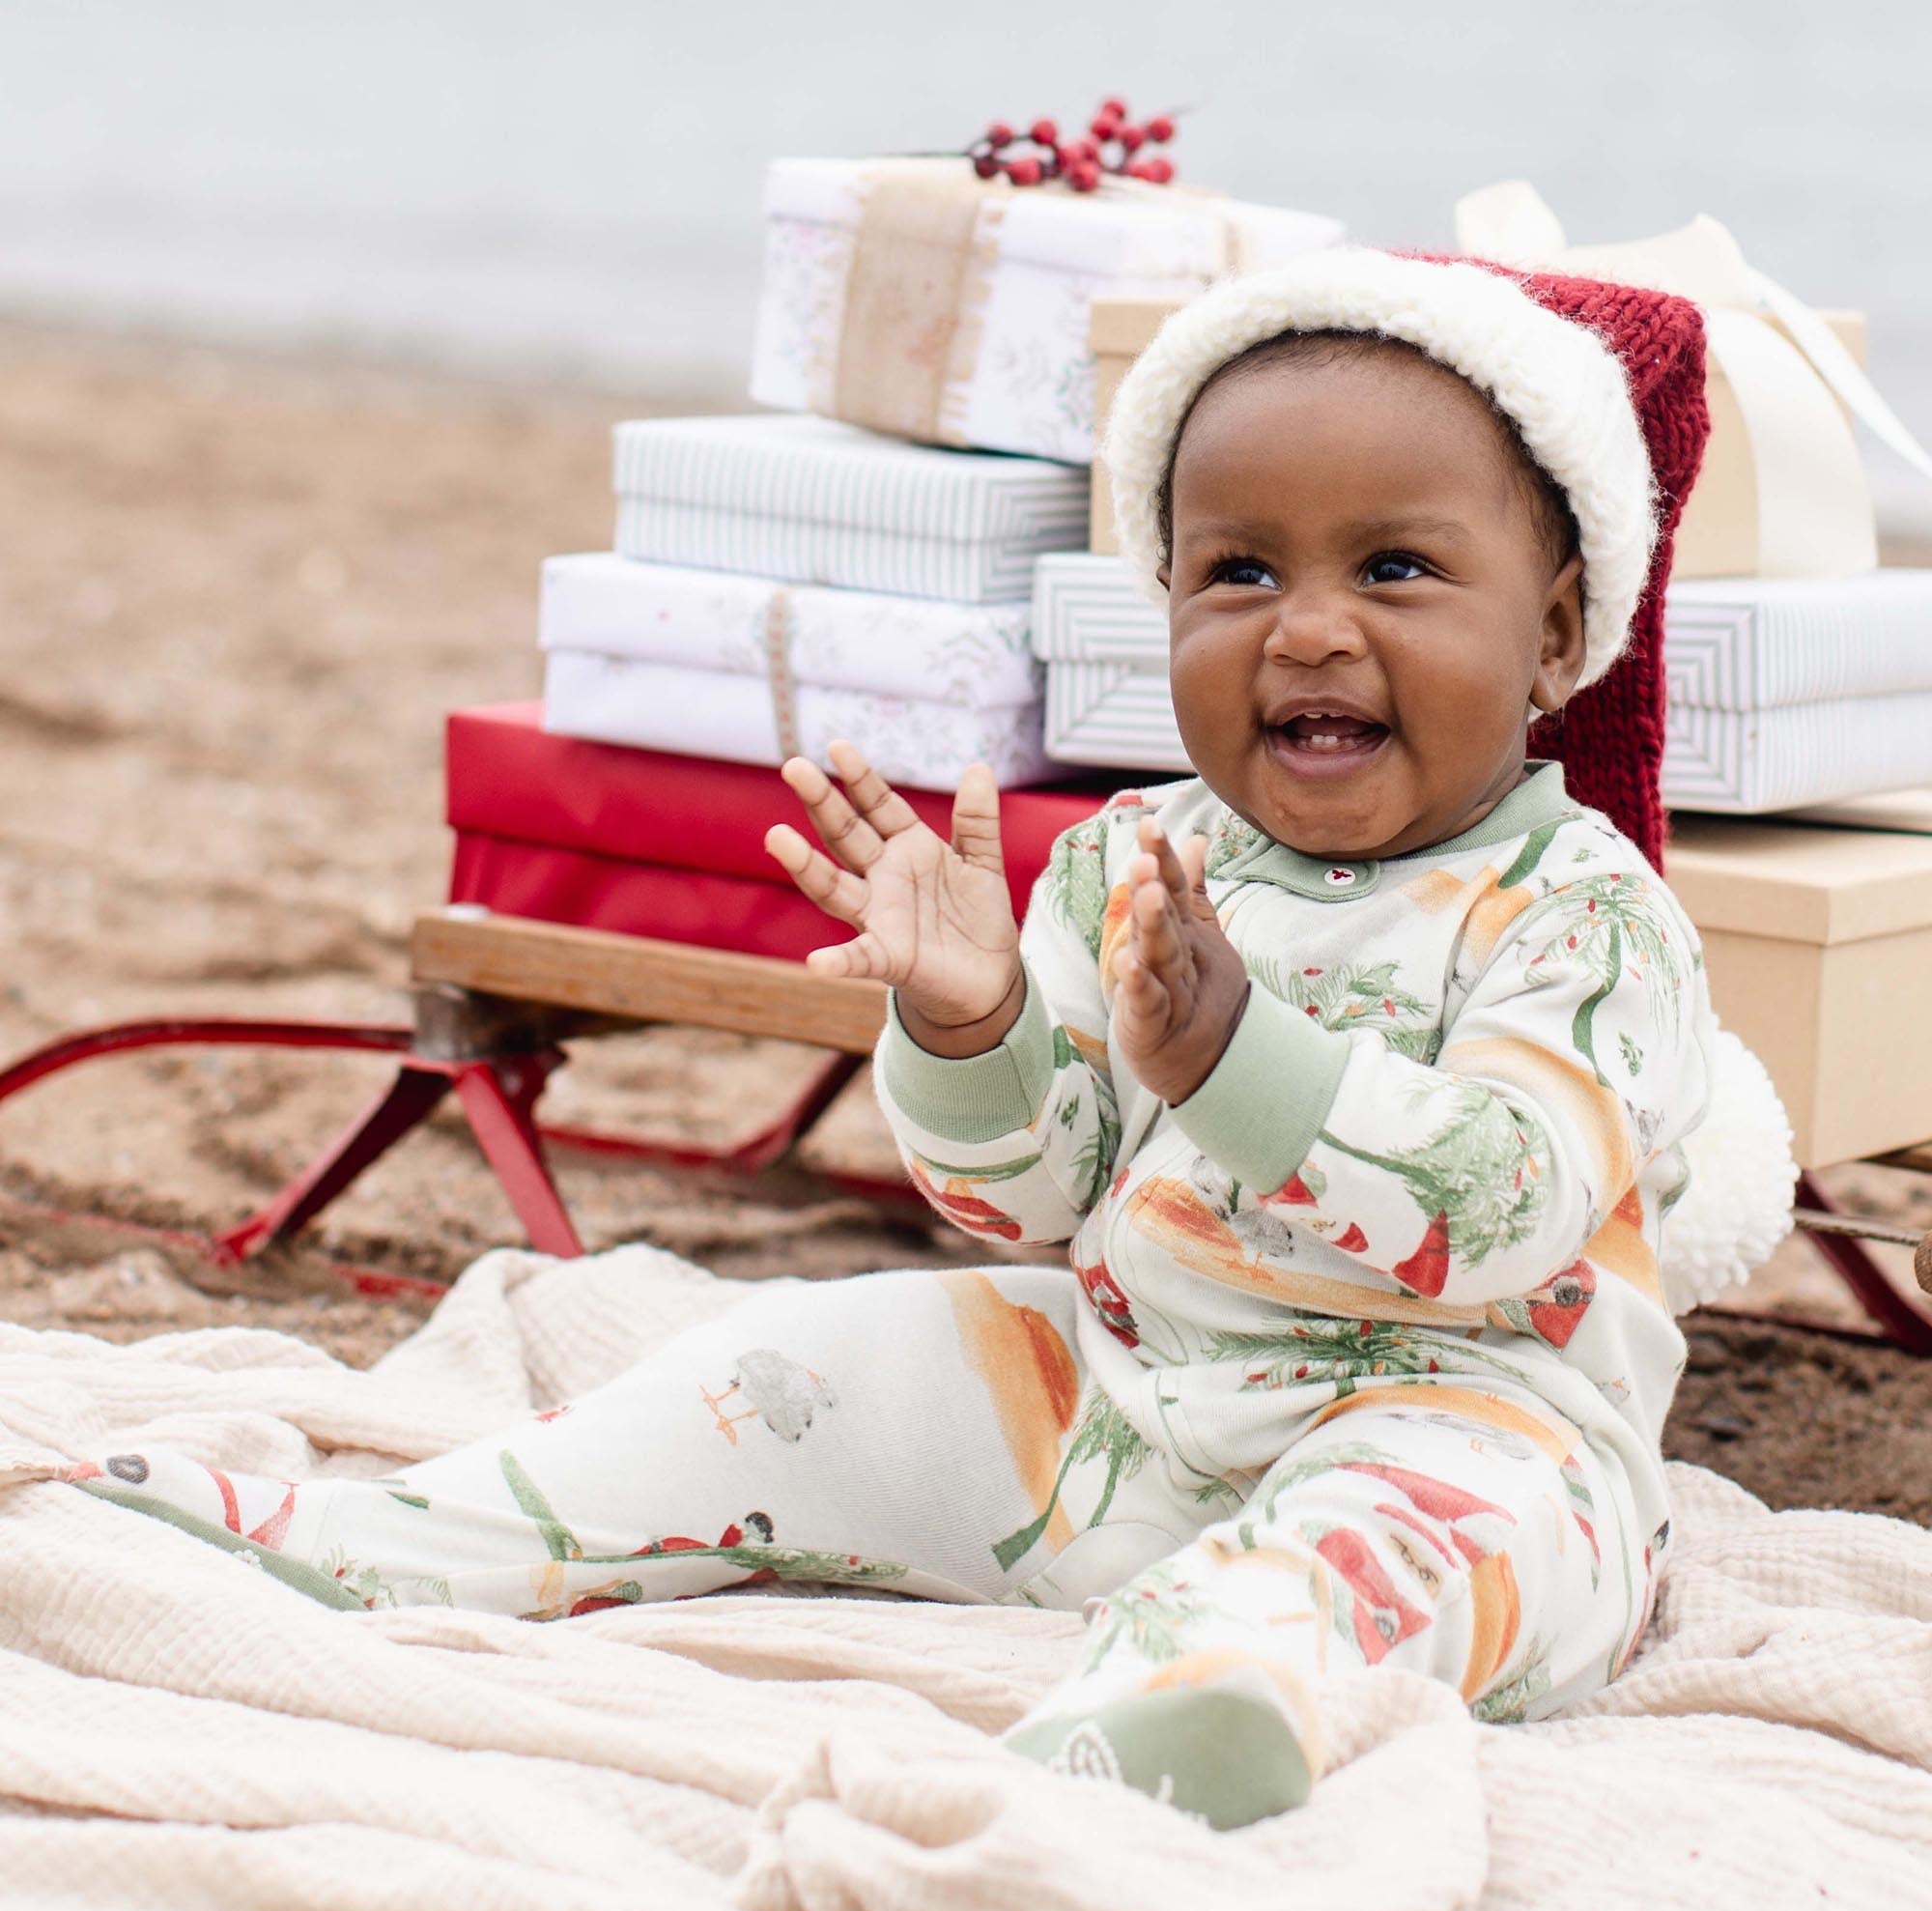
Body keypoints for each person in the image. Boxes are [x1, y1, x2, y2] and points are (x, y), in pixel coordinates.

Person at [63, 249, 1715, 1831]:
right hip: (1131, 1408)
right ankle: (411, 1538)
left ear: (1559, 636)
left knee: (1407, 1546)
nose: (1306, 628)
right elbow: (1029, 1199)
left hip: (1469, 1417)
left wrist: (1239, 1061)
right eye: (1239, 570)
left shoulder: (1580, 914)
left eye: (1397, 569)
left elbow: (1502, 1205)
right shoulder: (1136, 858)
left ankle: (1198, 1701)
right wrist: (973, 1018)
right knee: (795, 1366)